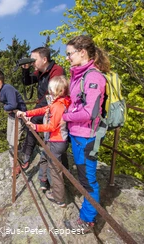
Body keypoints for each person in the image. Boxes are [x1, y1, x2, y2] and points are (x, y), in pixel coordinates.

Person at [62, 35, 109, 233]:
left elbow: (91, 112)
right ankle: (87, 215)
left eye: (69, 54)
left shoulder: (93, 77)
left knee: (88, 180)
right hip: (78, 134)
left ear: (82, 52)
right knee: (83, 175)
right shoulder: (79, 75)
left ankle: (87, 221)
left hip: (86, 136)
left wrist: (65, 116)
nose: (67, 58)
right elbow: (78, 102)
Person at [17, 76, 70, 208]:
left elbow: (52, 126)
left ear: (59, 90)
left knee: (55, 170)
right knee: (45, 159)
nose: (49, 92)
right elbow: (43, 110)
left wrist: (36, 127)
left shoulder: (59, 106)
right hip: (53, 140)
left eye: (51, 89)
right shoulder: (56, 103)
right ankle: (44, 181)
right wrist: (27, 113)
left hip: (57, 141)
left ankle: (59, 199)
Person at [20, 47, 66, 171]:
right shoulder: (40, 71)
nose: (32, 62)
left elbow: (53, 95)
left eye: (34, 59)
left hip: (55, 109)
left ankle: (26, 155)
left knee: (33, 120)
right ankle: (27, 152)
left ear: (44, 59)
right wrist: (25, 70)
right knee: (31, 119)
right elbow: (27, 82)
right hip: (46, 106)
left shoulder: (57, 71)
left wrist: (34, 111)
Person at [0, 70, 27, 174]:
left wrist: (5, 107)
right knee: (9, 139)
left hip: (19, 117)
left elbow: (12, 104)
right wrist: (7, 108)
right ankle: (14, 164)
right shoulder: (0, 90)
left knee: (13, 142)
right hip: (12, 116)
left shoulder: (7, 89)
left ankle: (18, 164)